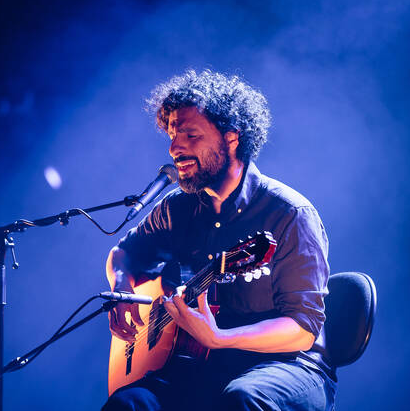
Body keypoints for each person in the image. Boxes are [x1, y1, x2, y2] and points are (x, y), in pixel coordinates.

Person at [102, 70, 336, 411]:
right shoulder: (176, 210)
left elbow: (303, 328)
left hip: (288, 365)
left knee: (241, 399)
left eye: (191, 135)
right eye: (171, 136)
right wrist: (121, 288)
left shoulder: (289, 213)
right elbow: (124, 253)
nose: (174, 148)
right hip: (197, 363)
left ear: (231, 137)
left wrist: (221, 338)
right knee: (128, 404)